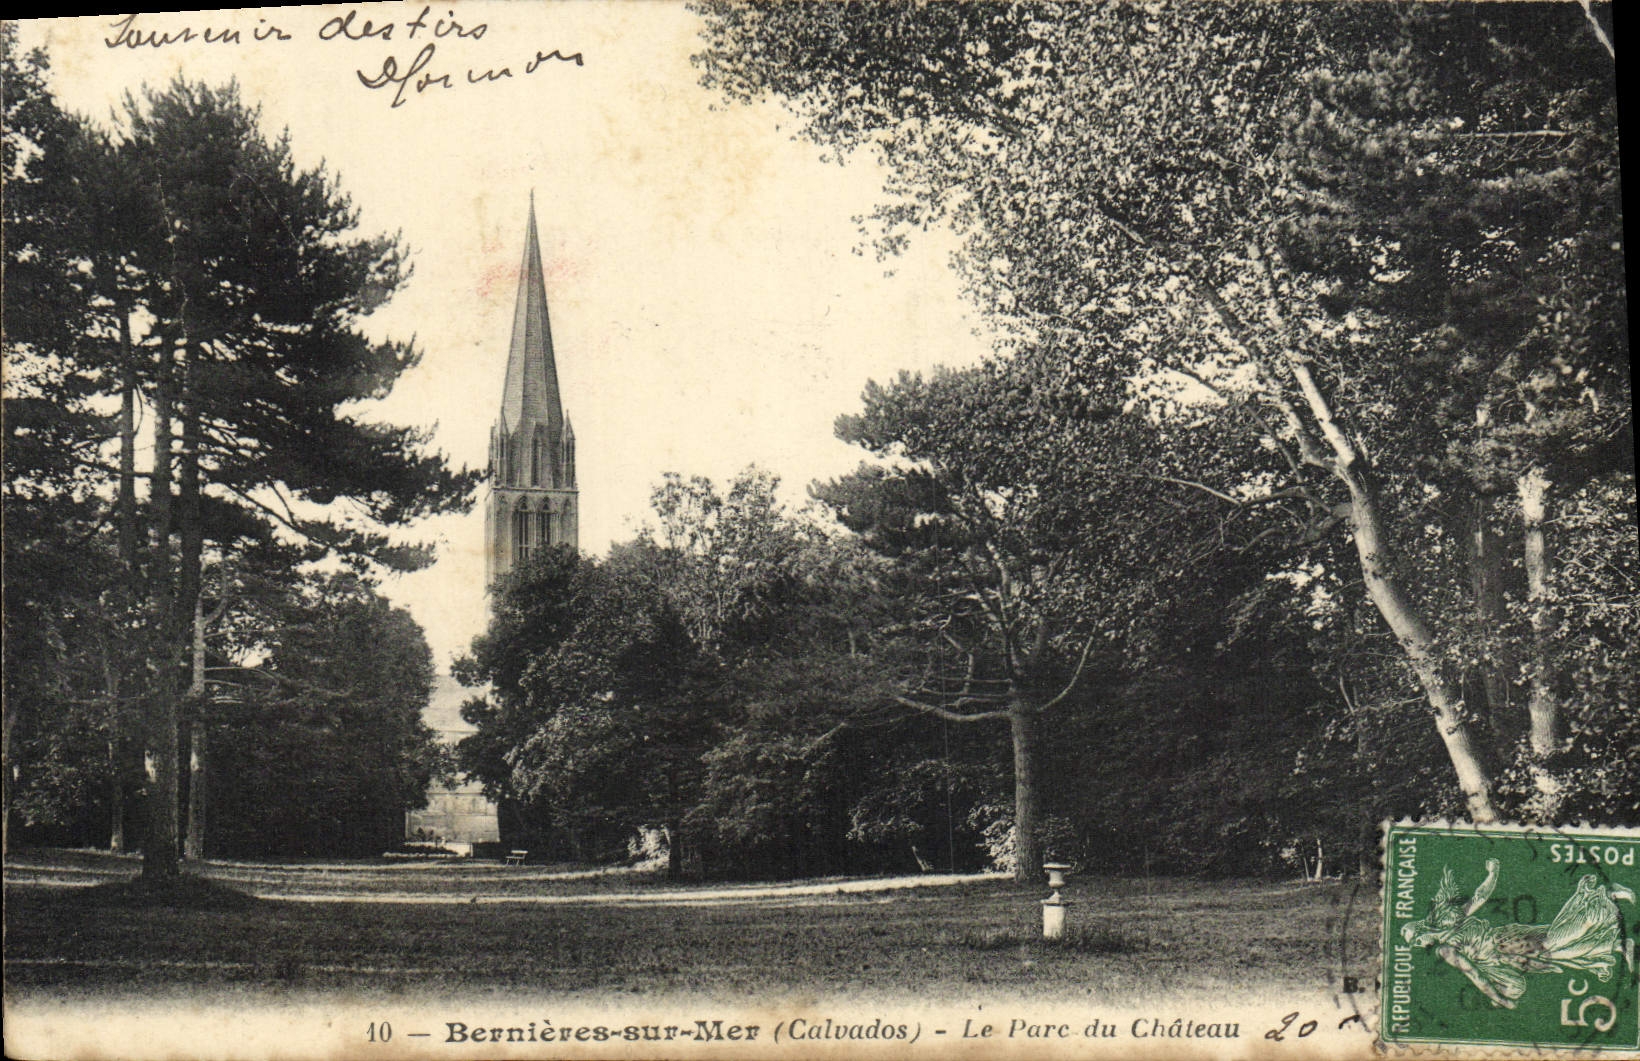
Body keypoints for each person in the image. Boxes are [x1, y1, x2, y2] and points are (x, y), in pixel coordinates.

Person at [1401, 857, 1635, 1009]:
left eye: (1417, 940)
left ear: (1422, 930)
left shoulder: (1444, 947)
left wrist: (1499, 998)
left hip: (1506, 946)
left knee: (1556, 942)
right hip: (1505, 947)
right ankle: (1615, 944)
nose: (1420, 946)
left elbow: (1472, 972)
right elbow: (1479, 898)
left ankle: (1605, 895)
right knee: (1561, 949)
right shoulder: (1449, 923)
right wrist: (1493, 872)